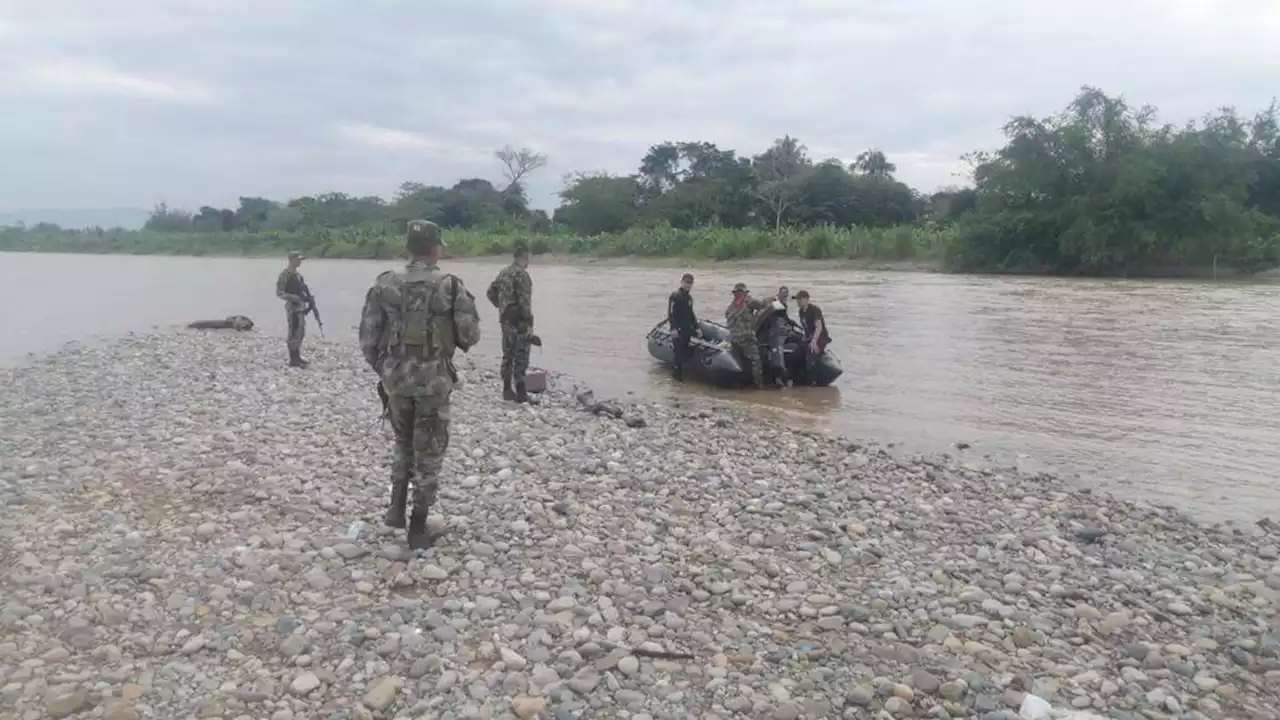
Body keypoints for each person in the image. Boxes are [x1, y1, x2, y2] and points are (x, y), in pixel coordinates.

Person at [358, 220, 481, 550]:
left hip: (396, 381)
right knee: (428, 452)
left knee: (402, 441)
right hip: (432, 383)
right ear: (434, 248)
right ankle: (417, 527)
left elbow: (368, 339)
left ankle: (396, 508)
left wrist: (386, 370)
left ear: (409, 247)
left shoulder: (384, 284)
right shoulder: (450, 286)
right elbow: (470, 335)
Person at [488, 245, 535, 402]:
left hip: (505, 319)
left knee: (508, 354)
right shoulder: (522, 275)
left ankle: (507, 390)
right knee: (521, 355)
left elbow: (490, 292)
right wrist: (529, 322)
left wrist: (501, 306)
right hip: (519, 320)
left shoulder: (504, 272)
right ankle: (521, 393)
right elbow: (524, 302)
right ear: (524, 257)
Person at [725, 282, 768, 388]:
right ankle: (758, 385)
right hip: (746, 338)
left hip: (735, 339)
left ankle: (742, 383)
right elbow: (762, 305)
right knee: (756, 361)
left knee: (741, 361)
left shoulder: (732, 306)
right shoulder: (748, 301)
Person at [275, 250, 311, 368]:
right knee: (293, 332)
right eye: (298, 259)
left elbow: (303, 291)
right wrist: (294, 298)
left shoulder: (298, 276)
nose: (300, 262)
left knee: (300, 332)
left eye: (300, 259)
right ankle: (293, 359)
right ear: (291, 260)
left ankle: (297, 356)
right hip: (292, 307)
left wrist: (307, 299)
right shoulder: (285, 275)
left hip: (300, 307)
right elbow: (279, 292)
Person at [666, 273, 702, 381]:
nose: (688, 285)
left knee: (685, 352)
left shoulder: (689, 298)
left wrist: (697, 327)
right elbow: (671, 313)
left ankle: (682, 375)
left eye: (690, 283)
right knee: (679, 354)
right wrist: (673, 329)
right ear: (682, 282)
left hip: (687, 330)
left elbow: (691, 314)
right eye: (686, 283)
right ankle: (677, 378)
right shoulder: (675, 296)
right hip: (678, 329)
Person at [758, 285, 795, 386]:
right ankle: (780, 376)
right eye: (782, 295)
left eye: (785, 295)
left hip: (781, 332)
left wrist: (791, 324)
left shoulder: (783, 306)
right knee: (777, 353)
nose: (784, 297)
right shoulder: (774, 305)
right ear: (778, 295)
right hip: (772, 334)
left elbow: (785, 319)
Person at [794, 290, 831, 382]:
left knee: (811, 357)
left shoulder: (815, 310)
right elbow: (806, 328)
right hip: (810, 337)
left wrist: (814, 342)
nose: (798, 302)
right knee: (796, 355)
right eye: (797, 300)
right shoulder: (801, 312)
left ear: (806, 299)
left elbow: (819, 327)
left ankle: (813, 383)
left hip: (820, 337)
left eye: (800, 299)